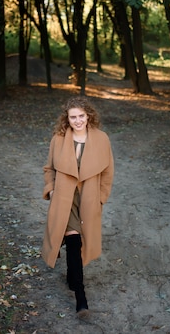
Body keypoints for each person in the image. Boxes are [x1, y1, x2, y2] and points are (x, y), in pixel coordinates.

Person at [41, 96, 115, 318]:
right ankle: (81, 299)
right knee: (73, 241)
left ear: (89, 115)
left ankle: (73, 278)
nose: (78, 120)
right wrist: (52, 190)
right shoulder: (58, 139)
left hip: (88, 198)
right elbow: (49, 168)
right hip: (65, 198)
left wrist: (101, 198)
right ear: (67, 118)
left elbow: (108, 173)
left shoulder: (102, 139)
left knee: (80, 243)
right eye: (73, 117)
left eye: (81, 116)